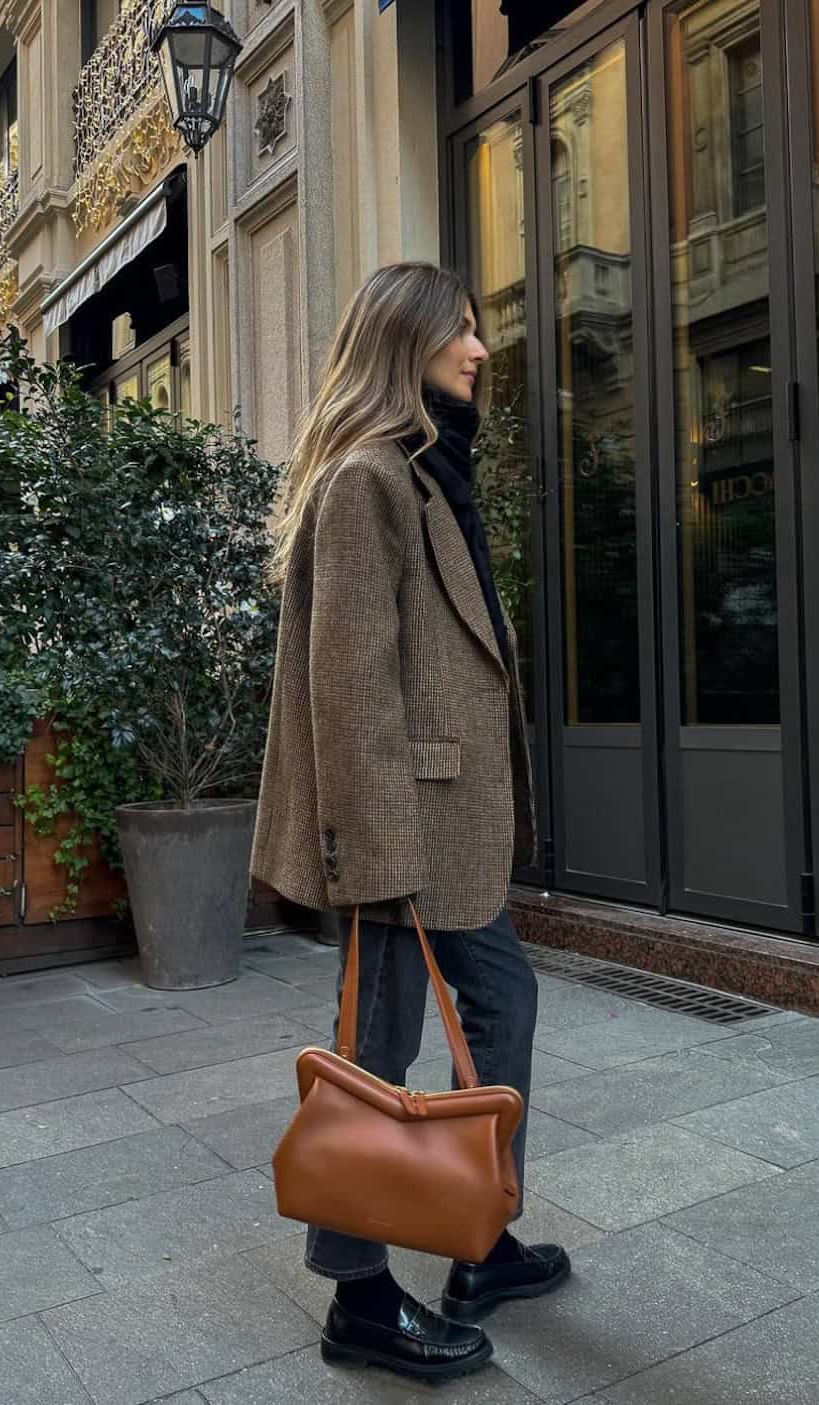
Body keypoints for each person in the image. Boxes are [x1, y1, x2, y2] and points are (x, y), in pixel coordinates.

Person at [251, 262, 570, 1381]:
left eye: (479, 330)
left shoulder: (429, 471)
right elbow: (350, 686)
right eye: (460, 333)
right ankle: (359, 1298)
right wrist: (373, 856)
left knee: (500, 1002)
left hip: (445, 828)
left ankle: (477, 1236)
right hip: (399, 831)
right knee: (374, 1053)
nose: (481, 349)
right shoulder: (367, 481)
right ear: (405, 345)